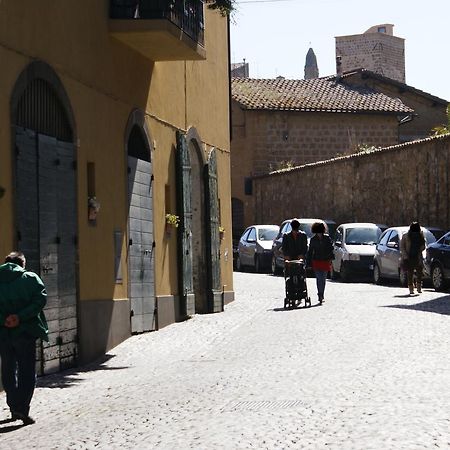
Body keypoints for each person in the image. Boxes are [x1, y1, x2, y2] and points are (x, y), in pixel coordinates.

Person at [0, 251, 48, 425]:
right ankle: (22, 408)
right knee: (27, 371)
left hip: (3, 333)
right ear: (22, 264)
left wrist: (4, 319)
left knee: (7, 369)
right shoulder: (30, 278)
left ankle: (13, 406)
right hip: (25, 331)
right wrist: (19, 317)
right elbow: (40, 300)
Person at [306, 222, 334, 304]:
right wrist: (308, 263)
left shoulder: (327, 238)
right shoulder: (313, 239)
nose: (319, 233)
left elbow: (330, 248)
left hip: (325, 260)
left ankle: (322, 293)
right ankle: (320, 294)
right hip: (317, 260)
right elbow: (310, 252)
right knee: (319, 278)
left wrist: (330, 258)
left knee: (323, 279)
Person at [400, 222, 426, 295]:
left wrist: (420, 249)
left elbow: (423, 246)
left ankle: (418, 287)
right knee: (410, 273)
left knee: (419, 272)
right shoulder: (406, 236)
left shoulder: (421, 236)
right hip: (409, 256)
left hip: (417, 256)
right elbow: (402, 247)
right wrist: (405, 256)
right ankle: (411, 288)